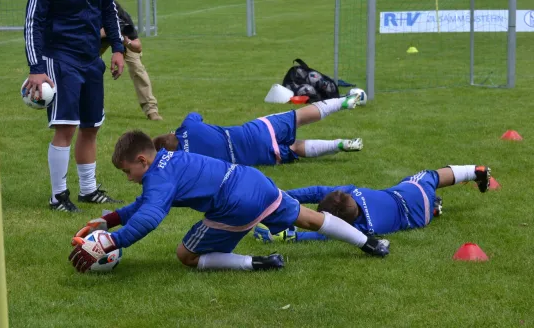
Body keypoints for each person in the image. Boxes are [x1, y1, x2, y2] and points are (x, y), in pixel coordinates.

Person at [68, 130, 390, 273]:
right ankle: (369, 243)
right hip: (253, 181)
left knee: (186, 256)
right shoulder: (168, 161)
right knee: (307, 218)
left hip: (235, 205)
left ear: (142, 160)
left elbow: (151, 216)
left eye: (128, 172)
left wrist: (112, 241)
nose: (128, 178)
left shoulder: (157, 179)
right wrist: (111, 220)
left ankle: (259, 263)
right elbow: (145, 205)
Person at [23, 0, 125, 212]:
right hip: (61, 59)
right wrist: (36, 67)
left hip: (92, 58)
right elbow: (33, 24)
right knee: (66, 127)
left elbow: (109, 11)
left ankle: (89, 190)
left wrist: (118, 48)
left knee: (92, 126)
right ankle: (58, 197)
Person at [252, 165, 491, 243]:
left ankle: (436, 207)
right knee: (431, 176)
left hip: (420, 218)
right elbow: (317, 192)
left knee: (418, 202)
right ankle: (474, 171)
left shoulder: (363, 229)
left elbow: (321, 234)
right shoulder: (351, 192)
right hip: (412, 193)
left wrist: (286, 234)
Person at [152, 94, 364, 167]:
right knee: (299, 117)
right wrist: (178, 131)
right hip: (254, 132)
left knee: (296, 147)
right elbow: (195, 114)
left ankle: (339, 145)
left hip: (256, 156)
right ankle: (343, 102)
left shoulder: (187, 160)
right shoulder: (187, 127)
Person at [100, 0, 162, 121]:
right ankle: (91, 108)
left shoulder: (122, 16)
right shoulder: (92, 11)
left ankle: (151, 110)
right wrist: (104, 32)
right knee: (87, 66)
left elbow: (138, 47)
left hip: (120, 38)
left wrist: (125, 40)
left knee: (138, 68)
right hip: (97, 39)